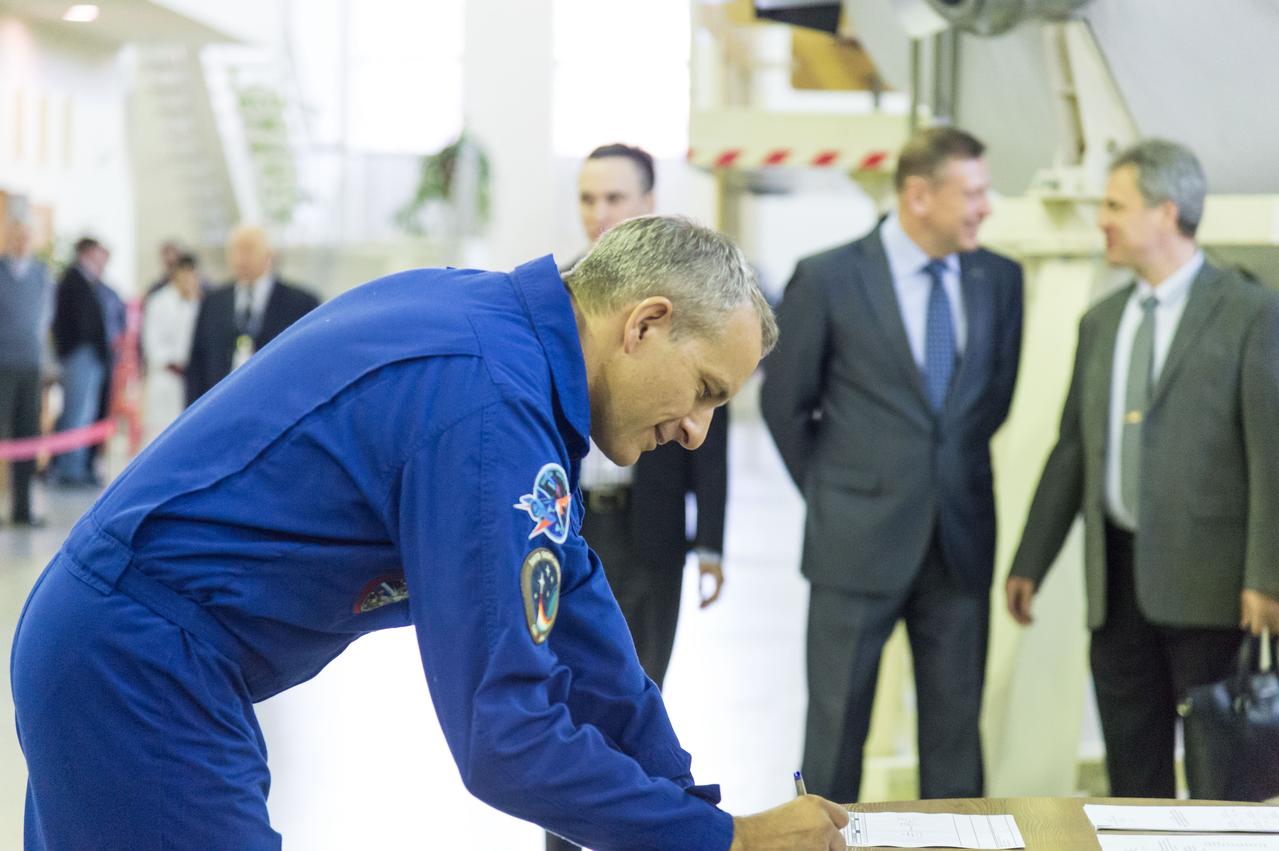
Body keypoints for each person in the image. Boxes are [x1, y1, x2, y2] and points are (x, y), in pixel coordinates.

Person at [12, 215, 849, 850]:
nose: (699, 430)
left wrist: (688, 806)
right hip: (136, 665)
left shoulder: (499, 339)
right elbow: (504, 739)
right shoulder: (487, 404)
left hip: (125, 644)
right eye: (703, 388)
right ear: (644, 323)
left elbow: (579, 608)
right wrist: (728, 839)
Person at [1006, 139, 1279, 799]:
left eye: (1113, 205)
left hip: (1213, 591)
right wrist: (1029, 561)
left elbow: (1270, 451)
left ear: (1165, 213)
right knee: (1132, 778)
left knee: (1221, 785)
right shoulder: (1100, 322)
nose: (1100, 219)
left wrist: (1264, 576)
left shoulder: (1249, 311)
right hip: (1116, 586)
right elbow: (1071, 448)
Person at [761, 127, 1024, 804]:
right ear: (918, 195)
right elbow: (784, 405)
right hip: (853, 543)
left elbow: (989, 401)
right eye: (970, 192)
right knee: (834, 730)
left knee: (955, 736)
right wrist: (832, 492)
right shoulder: (827, 277)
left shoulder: (1000, 278)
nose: (983, 207)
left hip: (959, 541)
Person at [547, 142, 732, 851]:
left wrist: (709, 538)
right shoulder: (554, 297)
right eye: (588, 199)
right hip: (569, 527)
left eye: (614, 199)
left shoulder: (688, 312)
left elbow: (707, 434)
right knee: (559, 702)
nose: (599, 214)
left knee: (637, 692)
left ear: (647, 204)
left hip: (649, 532)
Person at [184, 225, 320, 405]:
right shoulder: (213, 302)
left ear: (268, 255)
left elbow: (311, 366)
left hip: (278, 407)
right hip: (221, 408)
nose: (240, 258)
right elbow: (197, 365)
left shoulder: (301, 304)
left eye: (248, 249)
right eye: (234, 250)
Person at [0, 220, 54, 526]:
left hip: (31, 365)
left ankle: (23, 508)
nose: (21, 242)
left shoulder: (41, 275)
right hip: (2, 365)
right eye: (16, 236)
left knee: (27, 437)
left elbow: (46, 317)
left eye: (25, 237)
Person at [49, 237, 114, 486]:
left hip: (90, 356)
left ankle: (79, 465)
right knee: (76, 413)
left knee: (85, 413)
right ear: (87, 252)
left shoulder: (90, 282)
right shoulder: (73, 280)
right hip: (80, 355)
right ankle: (69, 469)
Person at [141, 252, 202, 437]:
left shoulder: (198, 303)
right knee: (159, 433)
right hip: (165, 376)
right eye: (184, 273)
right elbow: (151, 343)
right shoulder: (158, 301)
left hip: (190, 379)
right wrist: (172, 362)